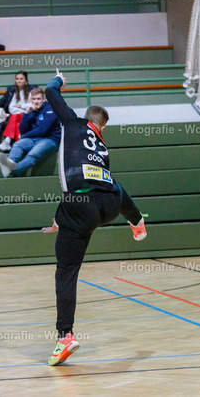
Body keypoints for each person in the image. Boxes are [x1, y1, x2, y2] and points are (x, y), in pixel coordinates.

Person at [43, 70, 147, 366]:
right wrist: (60, 217)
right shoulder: (102, 146)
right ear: (102, 127)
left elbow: (50, 92)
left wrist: (60, 81)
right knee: (115, 186)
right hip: (108, 204)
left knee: (66, 271)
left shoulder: (71, 122)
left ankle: (65, 337)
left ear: (87, 119)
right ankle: (137, 222)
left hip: (81, 207)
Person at [0, 88, 60, 177]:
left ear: (44, 99)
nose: (36, 101)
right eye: (34, 99)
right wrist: (26, 113)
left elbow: (42, 130)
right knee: (18, 144)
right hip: (33, 139)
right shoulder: (30, 109)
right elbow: (22, 129)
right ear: (30, 100)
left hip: (50, 140)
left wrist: (24, 136)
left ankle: (12, 170)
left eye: (39, 99)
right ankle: (10, 164)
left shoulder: (51, 109)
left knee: (32, 155)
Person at [0, 71, 36, 152]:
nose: (19, 81)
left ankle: (7, 141)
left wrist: (20, 106)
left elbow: (32, 105)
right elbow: (11, 108)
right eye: (17, 79)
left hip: (28, 115)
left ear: (26, 81)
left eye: (21, 79)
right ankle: (19, 143)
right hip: (16, 116)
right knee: (16, 122)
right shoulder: (12, 91)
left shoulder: (31, 90)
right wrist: (24, 108)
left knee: (15, 117)